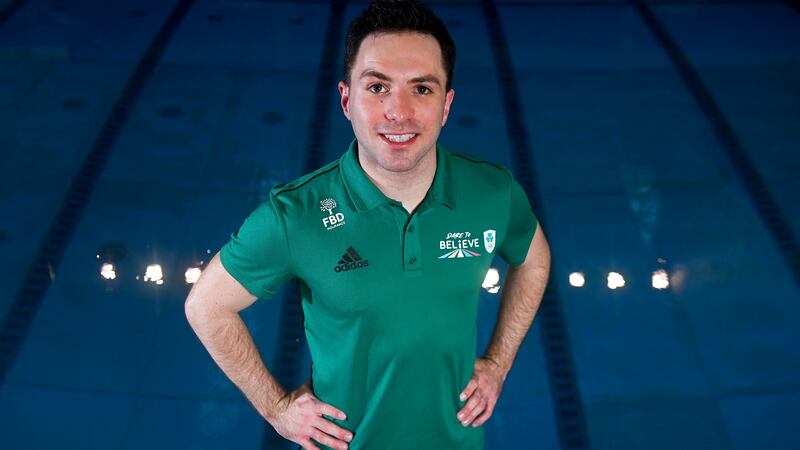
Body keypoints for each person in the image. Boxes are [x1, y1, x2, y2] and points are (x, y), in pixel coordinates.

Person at [184, 1, 551, 449]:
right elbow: (207, 306)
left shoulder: (493, 192)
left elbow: (533, 261)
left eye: (422, 89)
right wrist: (277, 409)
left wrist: (498, 364)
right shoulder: (296, 215)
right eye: (377, 87)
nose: (399, 112)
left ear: (446, 105)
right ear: (346, 100)